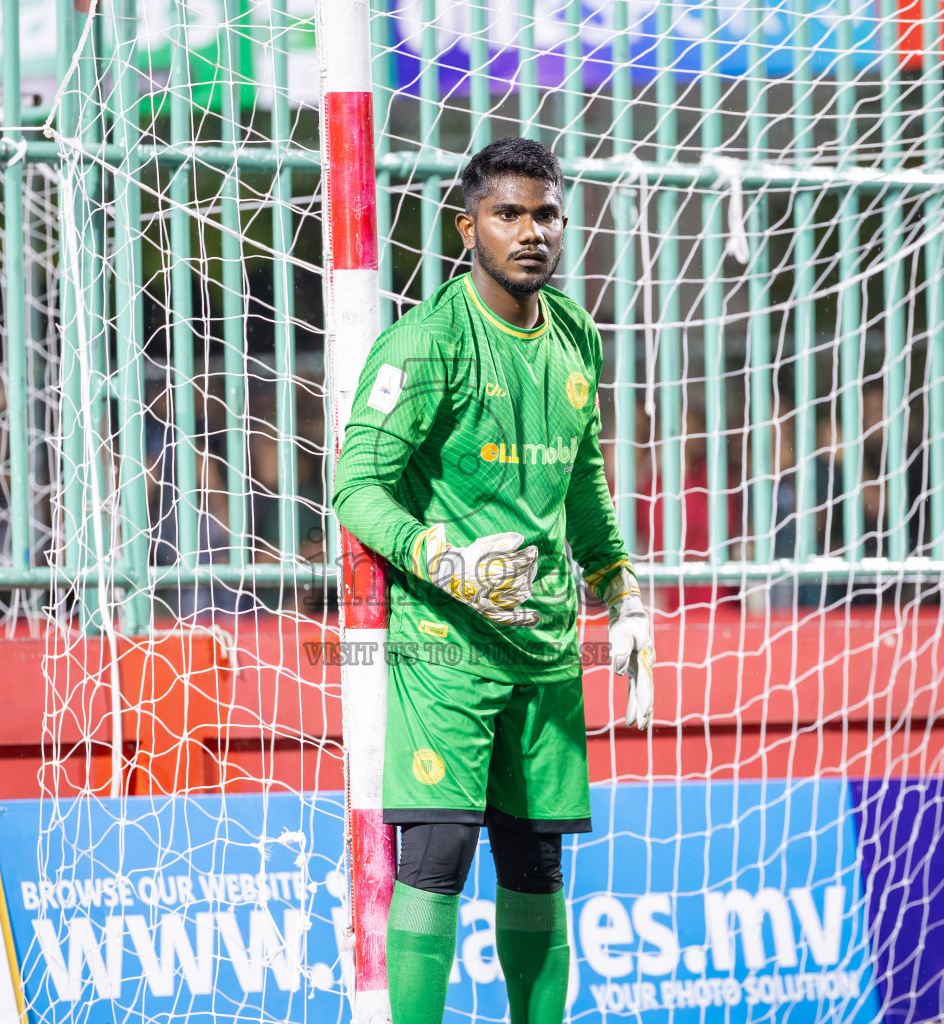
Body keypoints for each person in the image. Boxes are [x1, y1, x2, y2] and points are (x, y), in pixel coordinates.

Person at [331, 137, 655, 1024]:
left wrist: (620, 590)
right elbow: (355, 485)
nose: (532, 233)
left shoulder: (576, 334)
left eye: (546, 214)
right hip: (446, 652)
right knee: (438, 860)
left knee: (538, 866)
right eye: (509, 214)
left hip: (547, 649)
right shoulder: (427, 344)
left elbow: (583, 481)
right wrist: (441, 556)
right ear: (465, 224)